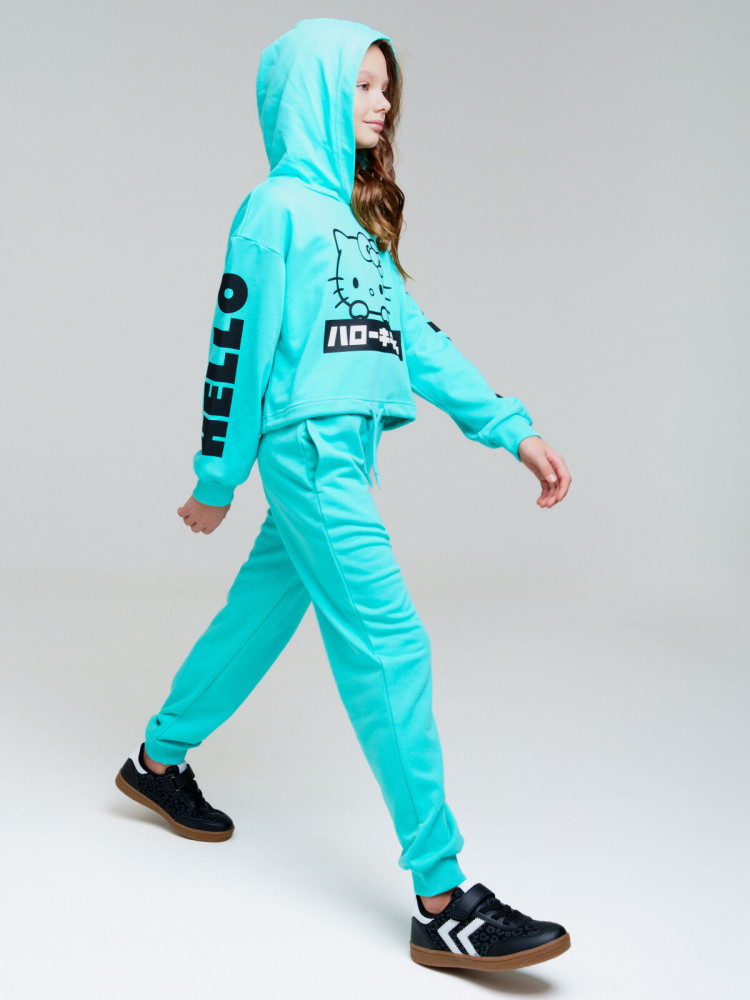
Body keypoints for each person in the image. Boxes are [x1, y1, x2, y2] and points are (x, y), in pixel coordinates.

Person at [115, 17, 572, 971]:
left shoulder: (358, 225)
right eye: (363, 86)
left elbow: (420, 341)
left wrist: (512, 429)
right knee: (391, 644)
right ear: (314, 94)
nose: (383, 103)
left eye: (386, 88)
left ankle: (158, 760)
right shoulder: (274, 210)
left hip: (346, 456)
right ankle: (443, 899)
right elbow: (235, 346)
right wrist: (216, 477)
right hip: (311, 454)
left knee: (257, 616)